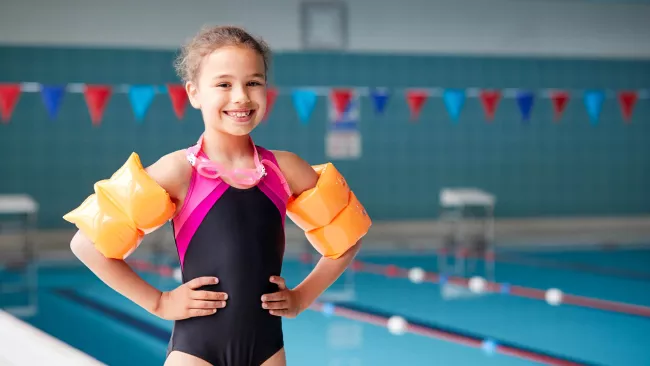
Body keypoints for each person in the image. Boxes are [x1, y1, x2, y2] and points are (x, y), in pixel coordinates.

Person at [65, 25, 371, 366]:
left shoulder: (286, 169)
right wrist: (159, 302)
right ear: (194, 93)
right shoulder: (178, 171)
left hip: (268, 352)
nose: (240, 96)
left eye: (253, 82)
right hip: (196, 352)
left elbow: (349, 235)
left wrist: (302, 296)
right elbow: (86, 244)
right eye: (224, 84)